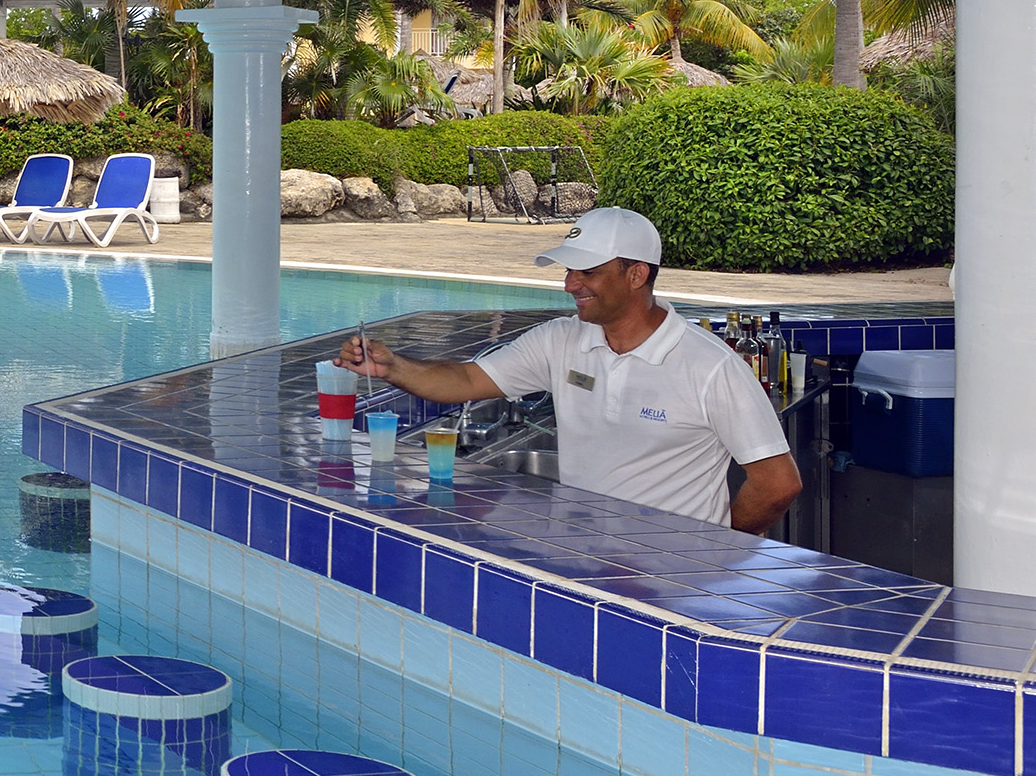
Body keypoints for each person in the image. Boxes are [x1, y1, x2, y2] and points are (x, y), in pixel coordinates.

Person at [338, 207, 800, 532]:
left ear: (636, 275)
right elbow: (467, 380)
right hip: (581, 561)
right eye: (567, 271)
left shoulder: (711, 366)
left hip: (674, 579)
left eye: (587, 272)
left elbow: (778, 483)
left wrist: (718, 542)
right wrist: (393, 366)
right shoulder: (560, 340)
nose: (569, 284)